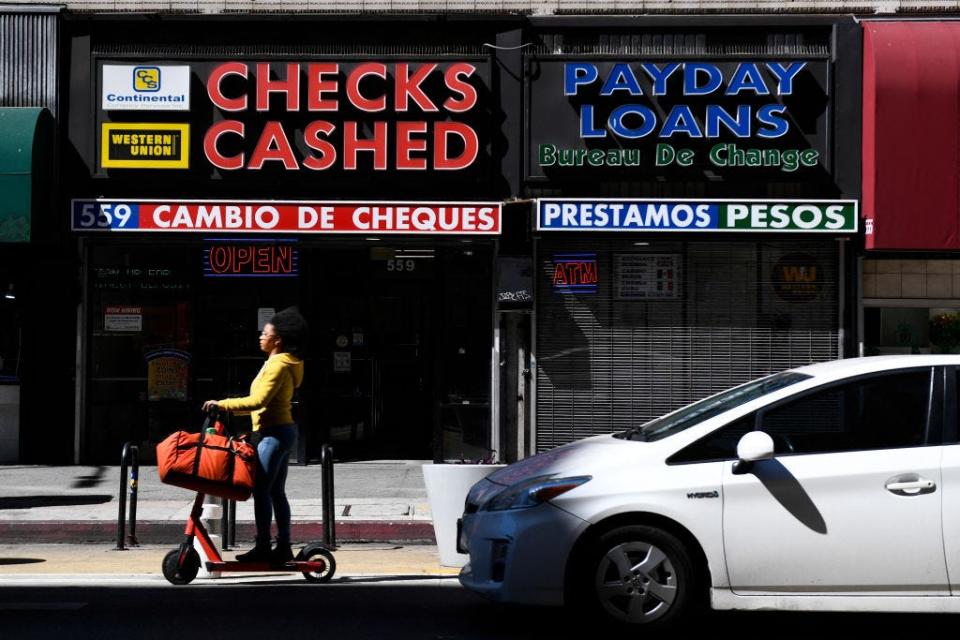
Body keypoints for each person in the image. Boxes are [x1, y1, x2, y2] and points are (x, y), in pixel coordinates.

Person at [202, 306, 307, 564]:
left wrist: (222, 404)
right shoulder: (282, 363)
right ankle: (283, 546)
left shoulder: (277, 366)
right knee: (276, 492)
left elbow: (258, 400)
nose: (261, 336)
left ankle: (264, 546)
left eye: (266, 333)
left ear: (277, 339)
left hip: (274, 433)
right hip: (280, 430)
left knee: (261, 489)